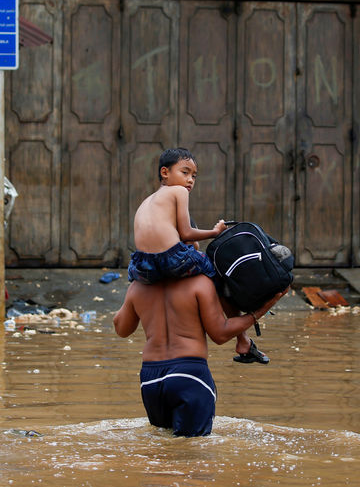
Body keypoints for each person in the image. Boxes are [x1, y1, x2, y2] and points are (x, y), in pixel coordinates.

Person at [128, 147, 267, 364]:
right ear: (165, 172)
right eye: (185, 172)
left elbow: (168, 233)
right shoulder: (179, 192)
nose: (190, 180)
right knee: (218, 275)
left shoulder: (147, 202)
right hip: (172, 258)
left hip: (141, 265)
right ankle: (243, 340)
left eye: (194, 176)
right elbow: (186, 232)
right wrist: (215, 232)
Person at [113, 275, 287, 437]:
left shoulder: (139, 285)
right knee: (194, 453)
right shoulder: (200, 283)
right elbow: (220, 334)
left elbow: (121, 329)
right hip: (189, 376)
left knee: (163, 449)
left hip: (151, 380)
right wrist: (260, 311)